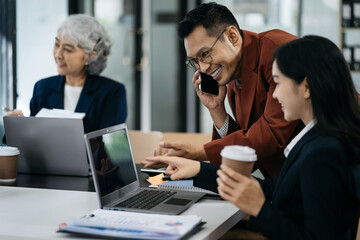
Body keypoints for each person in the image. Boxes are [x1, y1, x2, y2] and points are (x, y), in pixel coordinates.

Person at [146, 35, 360, 239]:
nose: (275, 94)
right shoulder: (317, 139)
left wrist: (258, 208)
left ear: (305, 87)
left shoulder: (323, 153)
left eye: (278, 83)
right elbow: (276, 189)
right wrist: (199, 170)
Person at [142, 2, 303, 178]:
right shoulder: (232, 74)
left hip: (311, 180)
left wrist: (199, 152)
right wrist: (216, 109)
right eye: (194, 61)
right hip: (283, 182)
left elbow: (271, 135)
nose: (202, 68)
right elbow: (246, 158)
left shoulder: (279, 52)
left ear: (232, 36)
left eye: (205, 54)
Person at [6, 14, 127, 133]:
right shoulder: (43, 88)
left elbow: (111, 148)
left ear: (90, 56)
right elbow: (32, 141)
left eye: (68, 49)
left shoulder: (112, 93)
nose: (58, 54)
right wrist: (16, 128)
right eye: (57, 44)